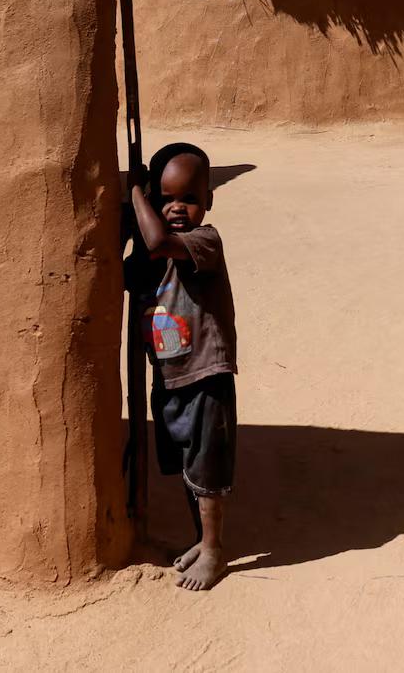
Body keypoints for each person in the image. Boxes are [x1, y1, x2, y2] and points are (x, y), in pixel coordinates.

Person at [128, 141, 237, 591]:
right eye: (166, 199)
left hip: (206, 373)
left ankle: (214, 551)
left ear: (207, 201)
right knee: (189, 466)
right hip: (170, 374)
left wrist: (136, 193)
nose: (177, 208)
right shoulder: (153, 260)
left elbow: (157, 239)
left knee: (208, 468)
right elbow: (139, 261)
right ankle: (200, 539)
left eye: (189, 199)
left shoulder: (204, 241)